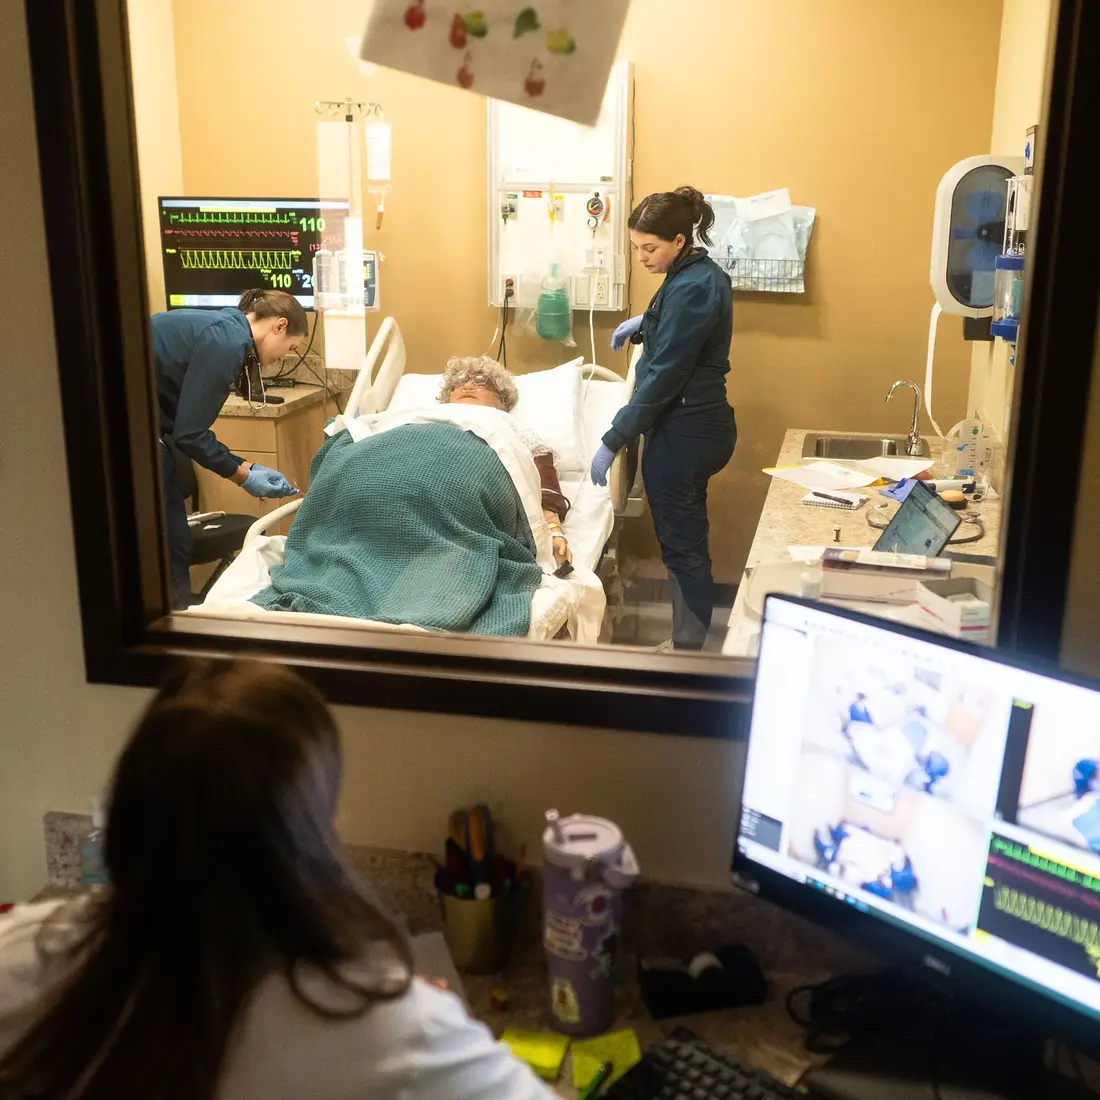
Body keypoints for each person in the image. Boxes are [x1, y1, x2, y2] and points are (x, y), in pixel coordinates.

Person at [0, 660, 555, 1100]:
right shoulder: (395, 1037)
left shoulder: (19, 960)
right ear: (310, 835)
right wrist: (428, 1022)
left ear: (128, 818)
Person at [589, 186, 736, 651]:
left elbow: (666, 376)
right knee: (685, 538)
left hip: (687, 429)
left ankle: (687, 649)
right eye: (635, 248)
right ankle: (687, 640)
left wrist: (615, 437)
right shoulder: (696, 273)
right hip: (697, 424)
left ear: (678, 239)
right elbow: (677, 327)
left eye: (649, 248)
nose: (641, 257)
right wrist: (647, 323)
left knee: (682, 544)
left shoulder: (692, 286)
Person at [153, 289, 304, 609]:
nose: (284, 357)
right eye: (291, 347)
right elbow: (190, 434)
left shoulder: (223, 325)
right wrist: (241, 474)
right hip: (137, 436)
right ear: (279, 326)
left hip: (141, 430)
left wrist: (244, 465)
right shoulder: (228, 344)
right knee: (170, 548)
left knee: (167, 544)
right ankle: (178, 636)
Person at [438, 356, 572, 569]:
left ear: (502, 402)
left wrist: (554, 532)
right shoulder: (415, 420)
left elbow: (543, 491)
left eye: (482, 381)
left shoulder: (519, 436)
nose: (469, 385)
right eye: (460, 381)